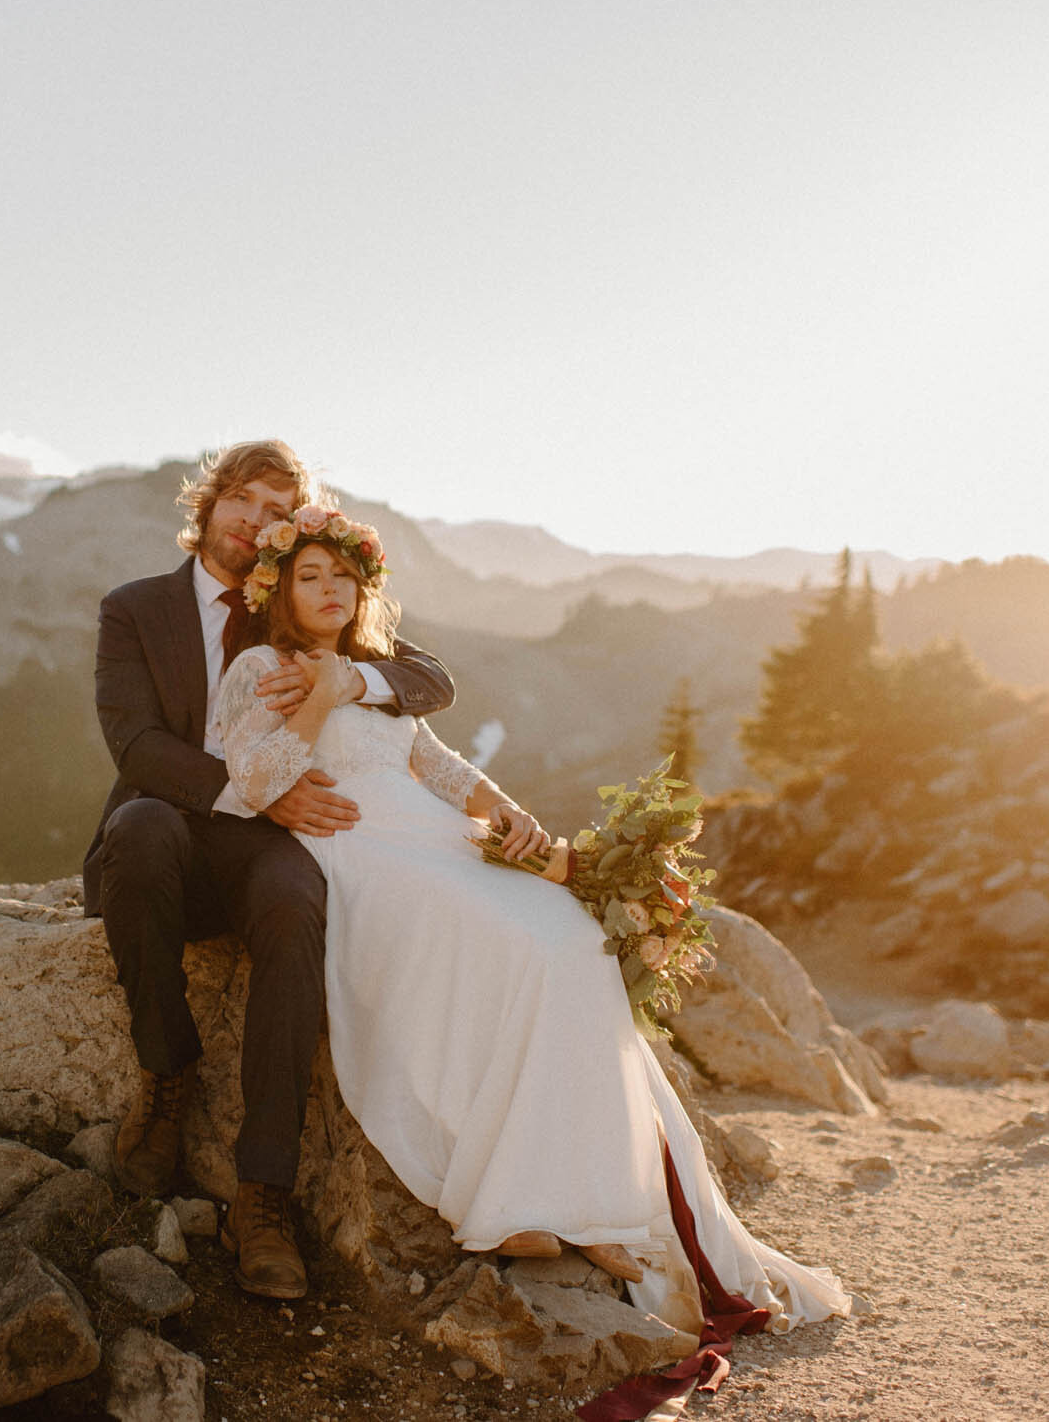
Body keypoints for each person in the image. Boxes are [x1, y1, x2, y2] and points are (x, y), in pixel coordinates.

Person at [211, 504, 849, 1418]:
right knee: (507, 946)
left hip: (431, 835)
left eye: (342, 578)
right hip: (361, 853)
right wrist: (318, 699)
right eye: (309, 576)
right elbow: (259, 777)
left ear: (362, 589)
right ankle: (519, 1196)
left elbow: (433, 759)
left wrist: (507, 816)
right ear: (280, 589)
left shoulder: (379, 674)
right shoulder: (257, 668)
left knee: (566, 934)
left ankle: (585, 1185)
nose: (327, 590)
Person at [83, 440, 456, 1300]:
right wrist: (261, 793)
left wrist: (348, 685)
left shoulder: (291, 601)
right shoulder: (135, 608)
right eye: (242, 499)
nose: (255, 521)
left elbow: (428, 678)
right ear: (209, 506)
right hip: (176, 819)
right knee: (137, 832)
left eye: (276, 510)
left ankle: (264, 1190)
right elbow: (135, 744)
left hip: (269, 849)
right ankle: (167, 1072)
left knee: (296, 905)